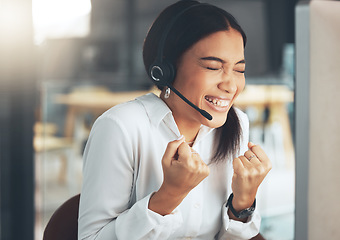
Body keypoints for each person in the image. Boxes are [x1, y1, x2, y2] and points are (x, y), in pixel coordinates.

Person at [78, 1, 272, 239]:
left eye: (239, 70)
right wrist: (169, 195)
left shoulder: (237, 124)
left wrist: (243, 202)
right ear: (165, 69)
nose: (231, 85)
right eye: (213, 67)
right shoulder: (120, 128)